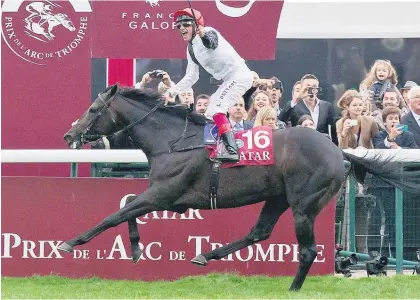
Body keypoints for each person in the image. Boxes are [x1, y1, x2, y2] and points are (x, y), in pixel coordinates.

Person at [166, 8, 254, 162]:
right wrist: (172, 92)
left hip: (239, 75)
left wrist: (202, 34)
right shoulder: (191, 49)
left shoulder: (208, 31)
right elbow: (191, 77)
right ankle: (217, 146)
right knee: (209, 113)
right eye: (178, 26)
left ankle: (232, 150)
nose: (181, 28)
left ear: (196, 24)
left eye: (185, 24)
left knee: (216, 108)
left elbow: (211, 43)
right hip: (229, 80)